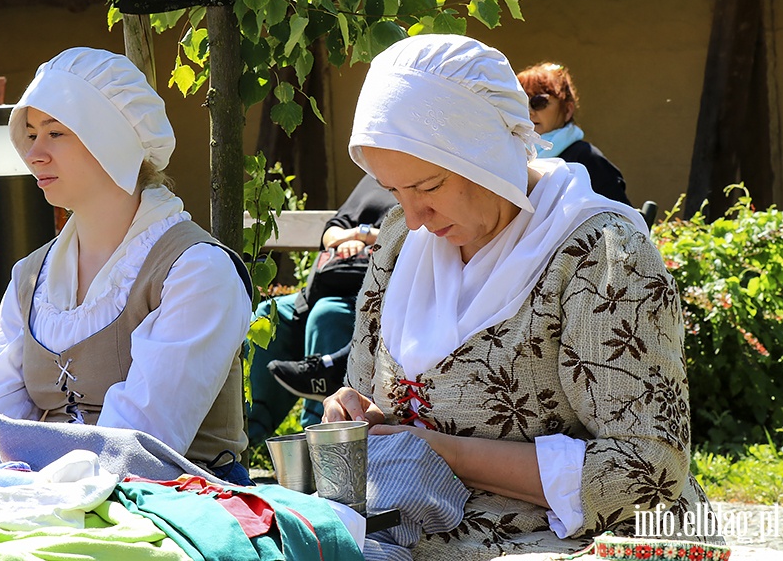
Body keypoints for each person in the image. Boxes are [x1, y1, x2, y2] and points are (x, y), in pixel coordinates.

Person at [322, 35, 720, 558]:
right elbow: (368, 399)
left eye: (430, 186)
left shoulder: (599, 255)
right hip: (413, 531)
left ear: (485, 149)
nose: (415, 216)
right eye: (394, 190)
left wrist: (442, 453)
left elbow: (646, 470)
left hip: (570, 542)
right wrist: (352, 414)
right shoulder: (400, 241)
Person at [0, 47, 255, 486]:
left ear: (112, 137)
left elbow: (142, 444)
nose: (34, 154)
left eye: (56, 133)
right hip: (51, 502)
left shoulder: (195, 270)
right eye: (30, 135)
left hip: (180, 510)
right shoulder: (32, 278)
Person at [247, 174, 396, 446]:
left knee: (327, 316)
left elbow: (417, 235)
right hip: (323, 287)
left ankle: (317, 443)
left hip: (372, 296)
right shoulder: (375, 177)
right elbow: (332, 229)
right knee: (269, 315)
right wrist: (351, 236)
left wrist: (366, 237)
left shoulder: (423, 181)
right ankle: (246, 437)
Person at [517, 61, 632, 205]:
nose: (530, 111)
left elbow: (621, 221)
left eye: (539, 101)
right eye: (520, 102)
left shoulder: (586, 158)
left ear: (568, 110)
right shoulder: (510, 156)